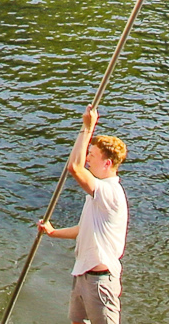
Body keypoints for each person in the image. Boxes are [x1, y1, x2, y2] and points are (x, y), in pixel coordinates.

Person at [37, 106, 128, 323]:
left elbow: (75, 168)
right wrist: (53, 233)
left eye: (92, 155)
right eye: (88, 154)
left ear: (107, 163)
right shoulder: (97, 194)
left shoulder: (109, 192)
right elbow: (84, 229)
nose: (87, 159)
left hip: (100, 281)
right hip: (83, 275)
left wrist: (87, 128)